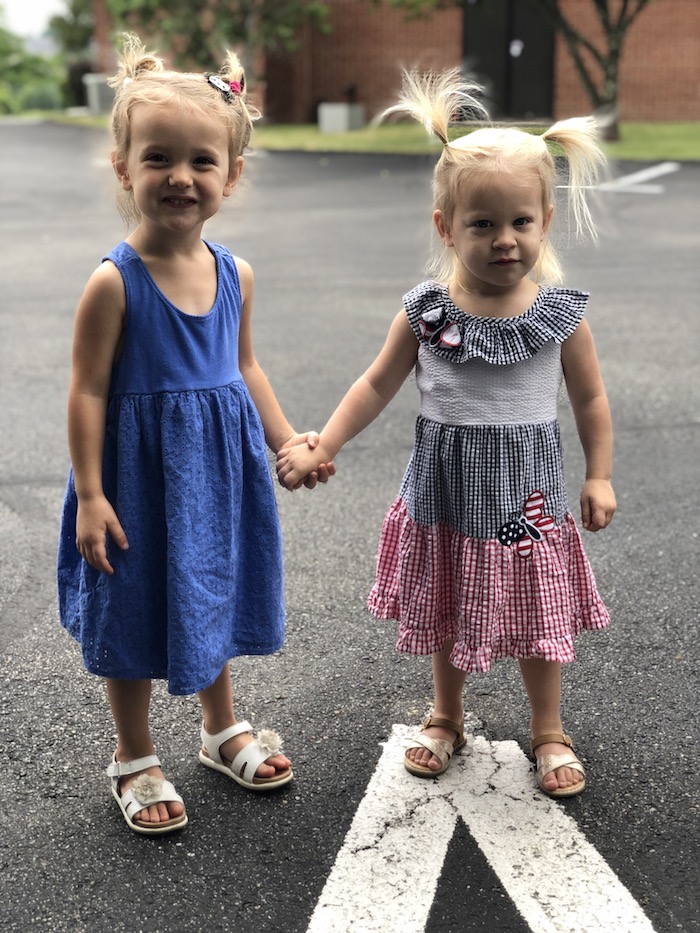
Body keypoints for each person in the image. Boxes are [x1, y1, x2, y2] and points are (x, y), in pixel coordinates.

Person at [277, 70, 616, 799]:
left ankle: (548, 726)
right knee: (449, 600)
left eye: (521, 222)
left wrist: (599, 473)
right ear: (445, 227)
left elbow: (589, 397)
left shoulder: (559, 315)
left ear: (545, 222)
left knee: (535, 607)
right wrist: (323, 444)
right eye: (483, 224)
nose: (504, 240)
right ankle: (446, 715)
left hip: (524, 496)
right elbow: (374, 384)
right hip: (446, 490)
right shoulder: (427, 313)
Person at [57, 34, 332, 835]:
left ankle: (220, 729)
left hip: (215, 470)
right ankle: (134, 753)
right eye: (158, 158)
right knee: (133, 608)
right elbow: (86, 389)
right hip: (135, 476)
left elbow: (246, 368)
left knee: (208, 587)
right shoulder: (113, 282)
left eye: (202, 161)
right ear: (123, 167)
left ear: (231, 175)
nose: (181, 176)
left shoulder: (235, 273)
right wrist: (91, 494)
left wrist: (286, 440)